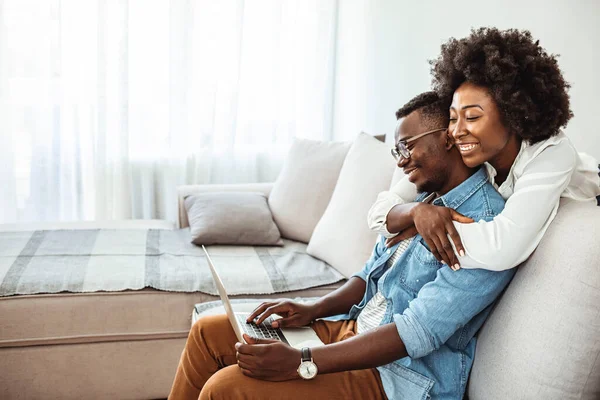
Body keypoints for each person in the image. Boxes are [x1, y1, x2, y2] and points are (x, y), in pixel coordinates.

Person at [168, 92, 516, 400]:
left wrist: (302, 361)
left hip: (394, 375)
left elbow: (417, 331)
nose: (400, 160)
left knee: (225, 388)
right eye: (398, 149)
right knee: (208, 333)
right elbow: (367, 275)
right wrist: (313, 309)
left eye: (407, 145)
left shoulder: (483, 226)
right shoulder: (424, 200)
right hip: (351, 328)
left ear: (448, 139)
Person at [368, 28, 600, 271]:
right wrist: (416, 212)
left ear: (513, 114)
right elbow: (378, 212)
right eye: (453, 118)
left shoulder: (552, 152)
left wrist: (423, 226)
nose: (457, 131)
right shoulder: (465, 147)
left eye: (472, 117)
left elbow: (502, 248)